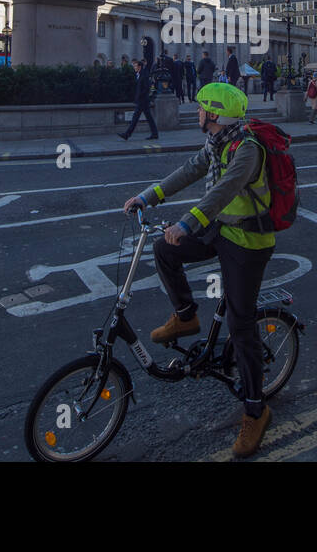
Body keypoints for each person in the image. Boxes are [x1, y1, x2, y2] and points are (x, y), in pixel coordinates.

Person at [122, 82, 276, 458]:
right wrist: (148, 195)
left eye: (202, 108)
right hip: (222, 228)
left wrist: (187, 225)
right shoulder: (218, 142)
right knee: (164, 249)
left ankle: (256, 409)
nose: (198, 113)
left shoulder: (247, 149)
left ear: (215, 115)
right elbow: (191, 170)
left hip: (248, 242)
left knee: (241, 325)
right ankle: (186, 316)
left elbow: (222, 191)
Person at [119, 39, 158, 141]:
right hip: (143, 100)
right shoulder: (140, 74)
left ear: (140, 66)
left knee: (135, 118)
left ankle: (127, 134)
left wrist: (140, 96)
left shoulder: (144, 75)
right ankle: (154, 133)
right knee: (147, 118)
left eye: (136, 66)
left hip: (143, 100)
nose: (134, 67)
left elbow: (146, 87)